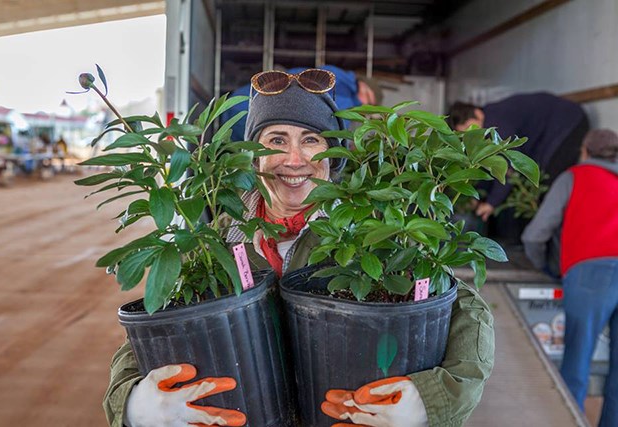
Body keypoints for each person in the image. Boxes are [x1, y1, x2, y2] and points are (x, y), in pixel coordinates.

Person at [103, 69, 494, 427]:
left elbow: (463, 308)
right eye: (276, 140)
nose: (294, 160)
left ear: (333, 153)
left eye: (311, 140)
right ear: (252, 153)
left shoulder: (373, 231)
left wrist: (429, 401)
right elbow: (152, 328)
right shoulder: (215, 240)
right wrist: (135, 405)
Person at [521, 129, 618, 427]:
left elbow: (535, 235)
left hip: (589, 273)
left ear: (585, 151)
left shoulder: (575, 176)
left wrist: (546, 267)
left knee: (577, 362)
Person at [448, 93, 589, 225]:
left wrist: (491, 203)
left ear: (478, 113)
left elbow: (509, 166)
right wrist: (477, 197)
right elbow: (494, 168)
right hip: (552, 132)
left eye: (470, 128)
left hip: (568, 122)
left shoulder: (495, 122)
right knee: (540, 185)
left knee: (548, 187)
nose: (470, 136)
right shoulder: (489, 121)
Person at [220, 64, 383, 142]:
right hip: (251, 116)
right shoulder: (344, 92)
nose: (364, 104)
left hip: (238, 102)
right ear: (362, 85)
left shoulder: (334, 75)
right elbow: (331, 127)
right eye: (367, 97)